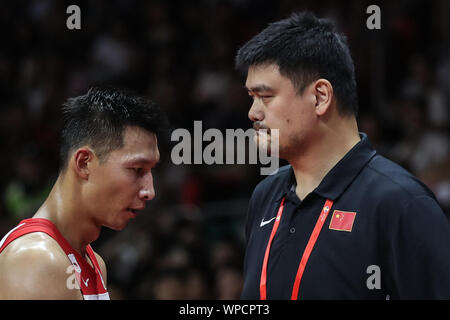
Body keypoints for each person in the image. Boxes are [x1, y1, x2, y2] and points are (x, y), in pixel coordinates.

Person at [235, 11, 450, 299]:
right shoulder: (264, 196)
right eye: (251, 98)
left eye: (265, 97)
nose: (253, 112)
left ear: (321, 96)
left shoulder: (401, 204)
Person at [0, 87, 167, 299]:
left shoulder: (94, 262)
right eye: (137, 169)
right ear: (84, 163)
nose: (149, 191)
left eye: (151, 171)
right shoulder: (36, 260)